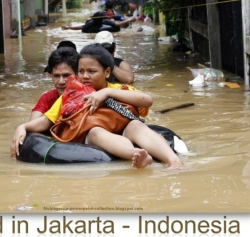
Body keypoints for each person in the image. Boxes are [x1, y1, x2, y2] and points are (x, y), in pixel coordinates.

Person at [11, 44, 184, 169]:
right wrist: (23, 126)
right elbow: (47, 121)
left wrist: (106, 94)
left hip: (121, 129)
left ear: (107, 72)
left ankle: (173, 161)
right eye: (80, 71)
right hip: (92, 137)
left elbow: (147, 100)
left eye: (91, 71)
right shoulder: (69, 96)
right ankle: (136, 155)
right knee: (96, 132)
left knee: (136, 125)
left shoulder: (119, 89)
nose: (85, 76)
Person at [29, 46, 79, 121]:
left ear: (78, 75)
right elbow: (32, 123)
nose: (61, 82)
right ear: (51, 75)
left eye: (66, 76)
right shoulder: (48, 98)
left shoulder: (90, 97)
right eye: (56, 76)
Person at [62, 11, 136, 33]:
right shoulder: (92, 23)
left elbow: (80, 27)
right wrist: (129, 20)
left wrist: (68, 27)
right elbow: (118, 24)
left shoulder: (95, 22)